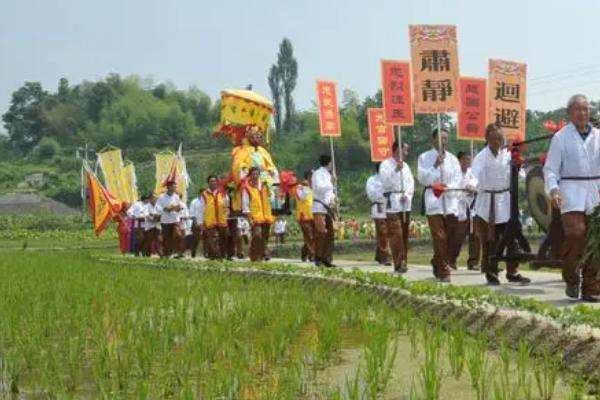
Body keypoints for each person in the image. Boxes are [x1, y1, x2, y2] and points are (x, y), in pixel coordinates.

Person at [544, 94, 600, 301]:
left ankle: (591, 287)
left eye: (586, 109)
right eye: (578, 109)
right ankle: (571, 277)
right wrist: (554, 190)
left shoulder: (598, 136)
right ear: (570, 113)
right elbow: (550, 169)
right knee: (577, 235)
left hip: (595, 191)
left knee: (595, 240)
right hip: (570, 191)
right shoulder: (561, 137)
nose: (583, 113)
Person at [472, 124, 530, 285]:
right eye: (495, 138)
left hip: (506, 201)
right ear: (487, 139)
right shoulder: (481, 157)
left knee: (512, 237)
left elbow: (521, 174)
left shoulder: (508, 154)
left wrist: (520, 165)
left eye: (500, 137)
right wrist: (471, 184)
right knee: (490, 240)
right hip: (488, 203)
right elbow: (474, 174)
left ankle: (513, 271)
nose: (499, 141)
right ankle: (491, 272)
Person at [417, 128, 461, 282]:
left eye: (446, 138)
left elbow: (458, 178)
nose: (444, 141)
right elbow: (422, 178)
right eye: (441, 138)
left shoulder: (453, 159)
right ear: (433, 140)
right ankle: (444, 270)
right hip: (434, 201)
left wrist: (449, 187)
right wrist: (435, 166)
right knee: (439, 236)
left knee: (452, 236)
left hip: (449, 200)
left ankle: (437, 261)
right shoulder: (424, 157)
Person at [380, 140, 415, 273]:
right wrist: (395, 170)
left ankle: (404, 260)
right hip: (393, 201)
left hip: (405, 202)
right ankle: (398, 262)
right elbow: (385, 182)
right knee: (397, 233)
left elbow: (410, 183)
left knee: (405, 233)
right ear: (397, 149)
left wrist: (407, 194)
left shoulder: (406, 166)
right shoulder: (386, 164)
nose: (406, 153)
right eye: (404, 149)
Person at [452, 151, 480, 271]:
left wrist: (472, 187)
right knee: (458, 235)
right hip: (460, 207)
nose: (467, 162)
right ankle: (452, 259)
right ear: (459, 161)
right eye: (464, 159)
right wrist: (464, 189)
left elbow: (475, 183)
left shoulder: (472, 173)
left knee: (476, 235)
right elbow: (453, 188)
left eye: (469, 160)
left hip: (472, 207)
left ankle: (473, 261)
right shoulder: (455, 173)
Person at [191, 175, 230, 260]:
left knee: (224, 237)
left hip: (222, 221)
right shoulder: (204, 195)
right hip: (210, 221)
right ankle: (217, 256)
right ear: (208, 183)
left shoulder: (222, 193)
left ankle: (217, 255)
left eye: (215, 181)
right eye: (211, 181)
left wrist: (226, 215)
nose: (213, 183)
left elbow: (227, 206)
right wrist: (200, 222)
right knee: (213, 238)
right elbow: (200, 210)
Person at [242, 167, 273, 262]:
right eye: (253, 174)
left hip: (266, 216)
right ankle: (256, 256)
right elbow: (245, 205)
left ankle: (263, 253)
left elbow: (271, 198)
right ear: (250, 176)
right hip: (255, 217)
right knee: (257, 236)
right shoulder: (247, 189)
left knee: (264, 237)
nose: (255, 176)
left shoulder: (264, 186)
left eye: (257, 174)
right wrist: (249, 219)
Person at [312, 154, 337, 267]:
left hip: (329, 207)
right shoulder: (317, 174)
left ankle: (327, 258)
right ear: (328, 162)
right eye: (332, 162)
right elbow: (318, 188)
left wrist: (333, 200)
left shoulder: (329, 175)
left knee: (330, 234)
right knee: (321, 232)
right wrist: (330, 183)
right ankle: (318, 257)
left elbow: (330, 192)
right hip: (320, 207)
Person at [366, 163, 391, 266]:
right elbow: (372, 194)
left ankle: (379, 254)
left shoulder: (388, 180)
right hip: (379, 206)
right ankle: (385, 257)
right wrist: (383, 194)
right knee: (382, 232)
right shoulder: (372, 180)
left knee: (387, 232)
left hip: (389, 207)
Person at [156, 180, 184, 258]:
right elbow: (158, 208)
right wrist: (166, 209)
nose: (174, 188)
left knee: (178, 235)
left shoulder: (176, 196)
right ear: (168, 187)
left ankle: (179, 252)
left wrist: (178, 208)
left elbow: (178, 206)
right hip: (165, 220)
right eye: (173, 187)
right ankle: (166, 253)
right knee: (167, 238)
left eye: (175, 187)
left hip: (175, 219)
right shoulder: (161, 197)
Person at [295, 170, 315, 262]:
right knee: (309, 236)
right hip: (303, 217)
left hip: (313, 216)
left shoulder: (314, 188)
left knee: (312, 237)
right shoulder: (299, 187)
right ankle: (312, 255)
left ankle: (304, 253)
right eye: (313, 176)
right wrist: (306, 187)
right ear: (308, 177)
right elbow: (302, 197)